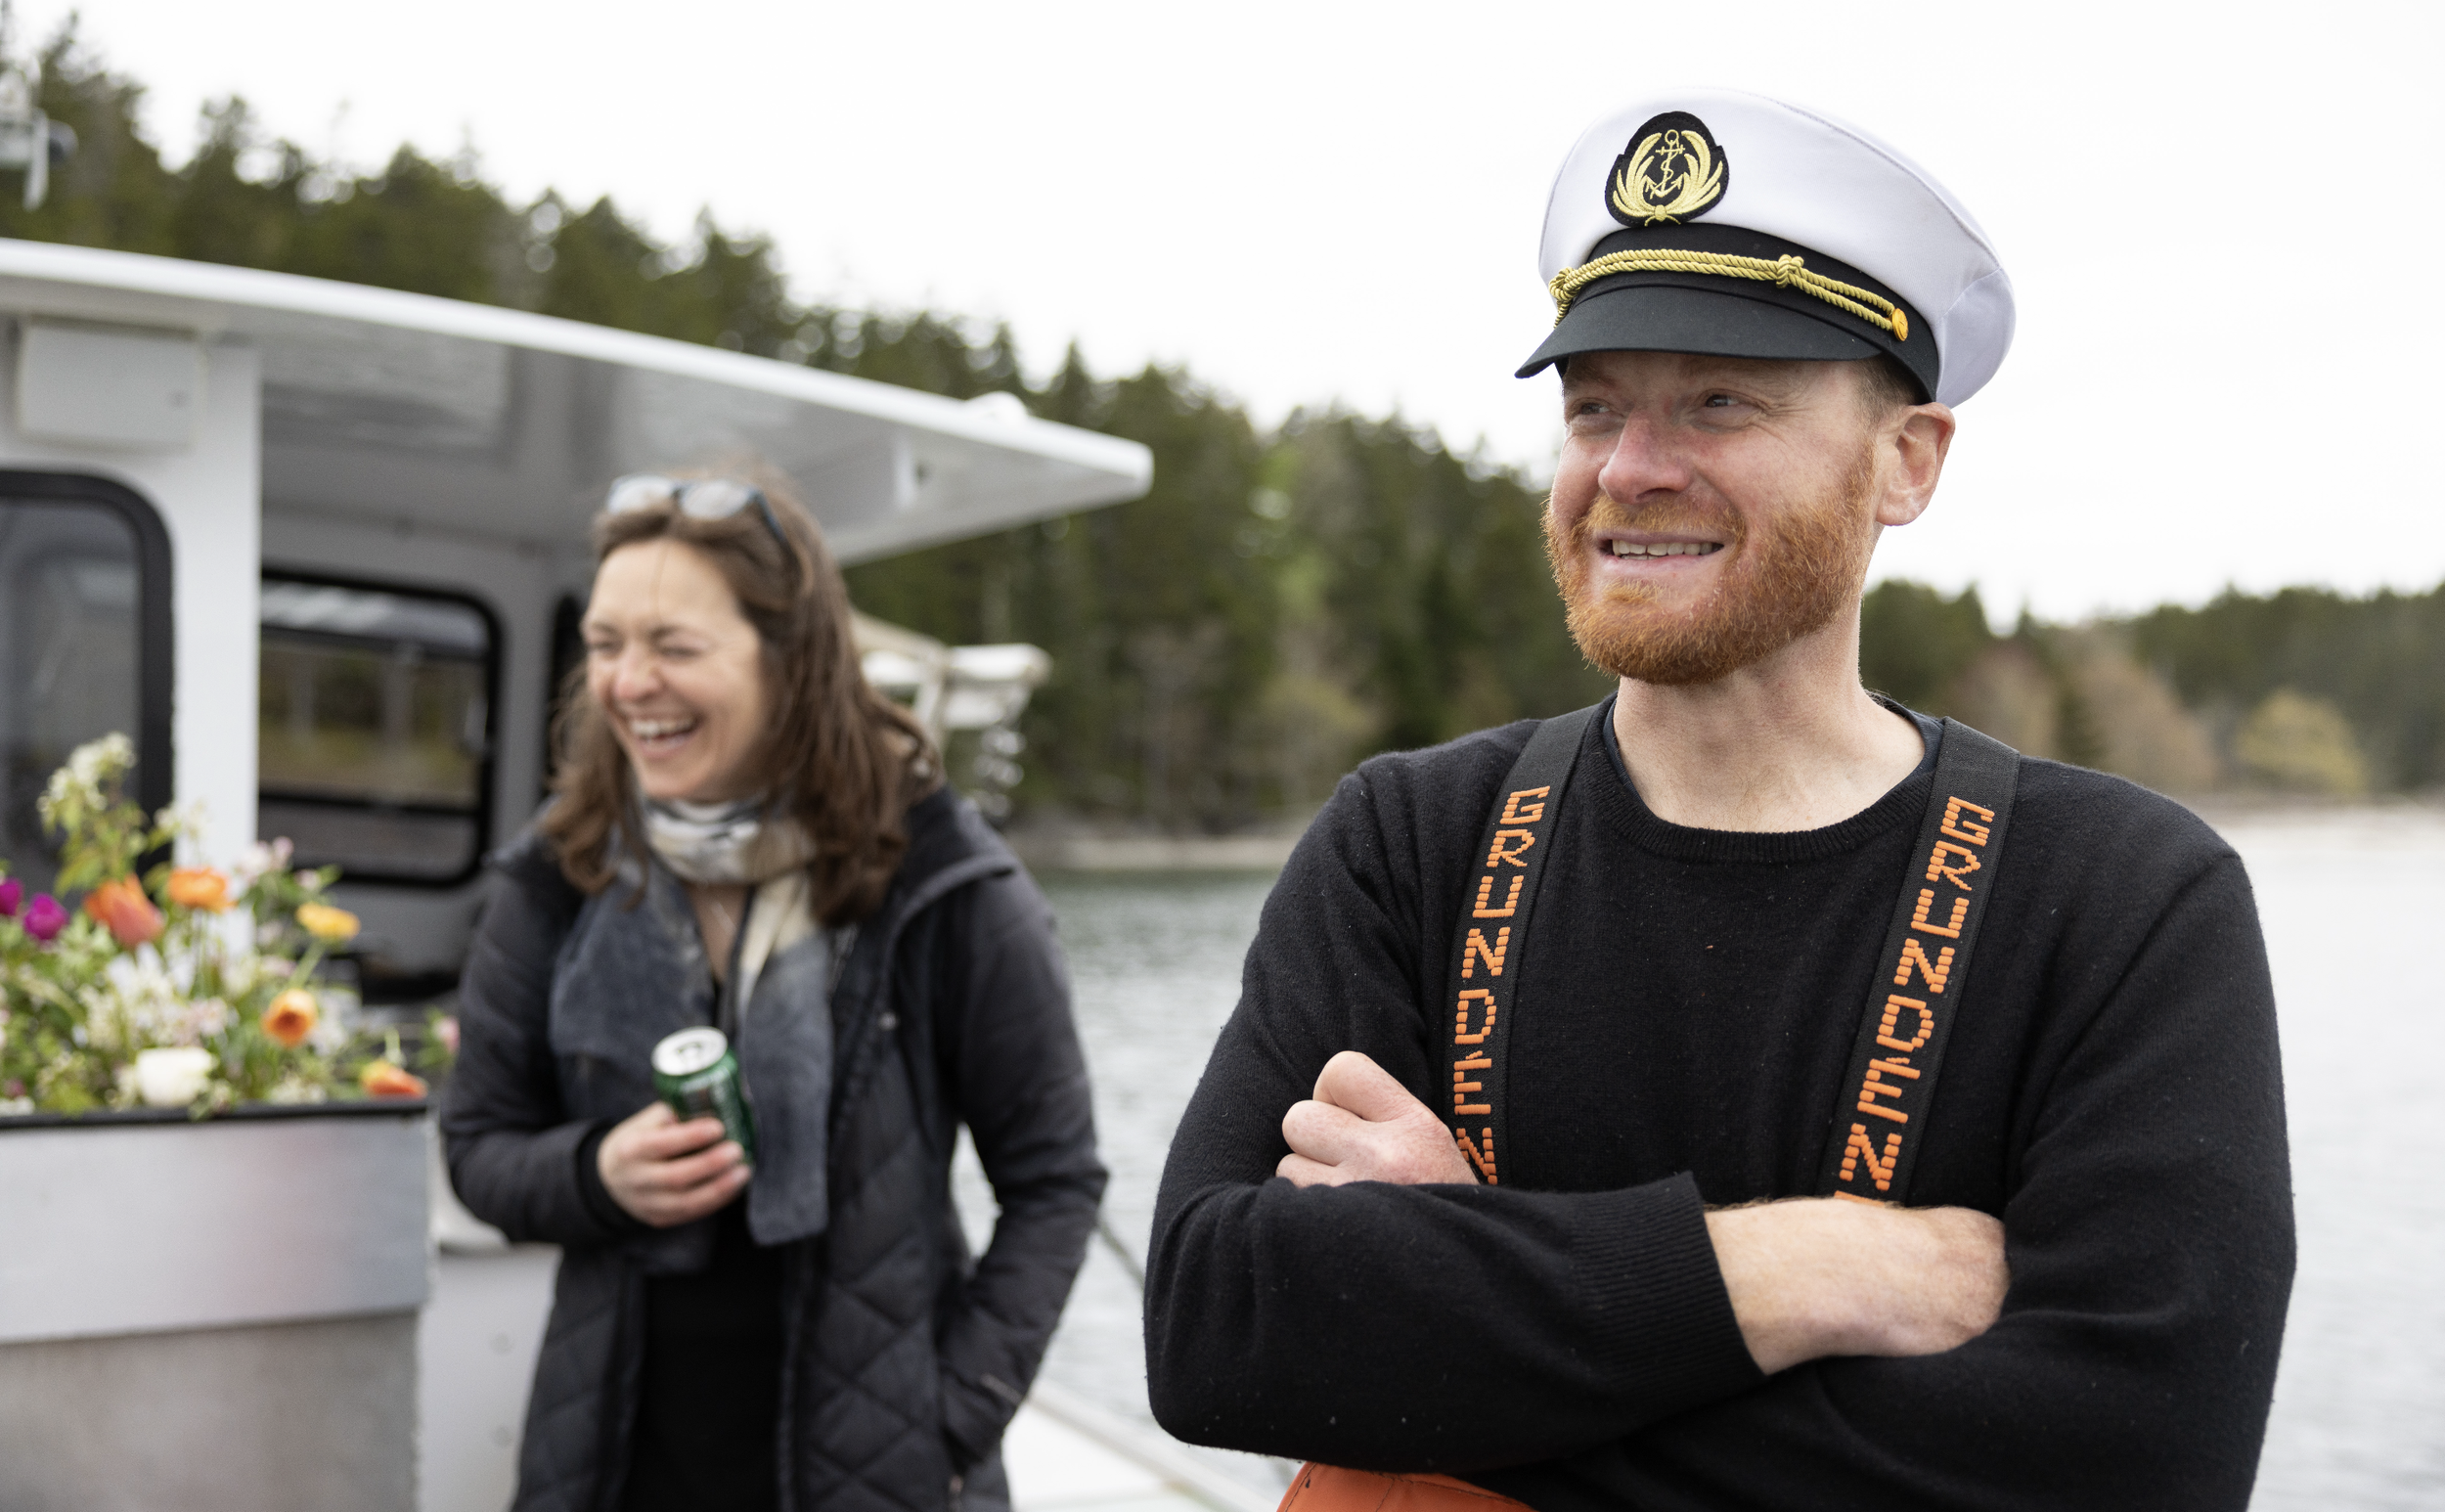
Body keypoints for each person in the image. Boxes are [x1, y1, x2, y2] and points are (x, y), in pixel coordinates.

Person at [1144, 90, 2293, 1511]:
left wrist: (1465, 1297)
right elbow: (1212, 1327)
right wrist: (1809, 1271)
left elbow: (2138, 1457)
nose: (1630, 468)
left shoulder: (2120, 897)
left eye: (1721, 400)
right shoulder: (1410, 840)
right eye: (1595, 407)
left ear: (1908, 461)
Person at [442, 472, 1105, 1512]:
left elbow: (1055, 1182)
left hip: (877, 1472)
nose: (628, 682)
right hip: (611, 1466)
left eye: (675, 645)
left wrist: (954, 1416)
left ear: (789, 660)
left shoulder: (942, 881)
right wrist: (595, 1171)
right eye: (607, 643)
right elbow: (477, 1143)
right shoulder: (556, 874)